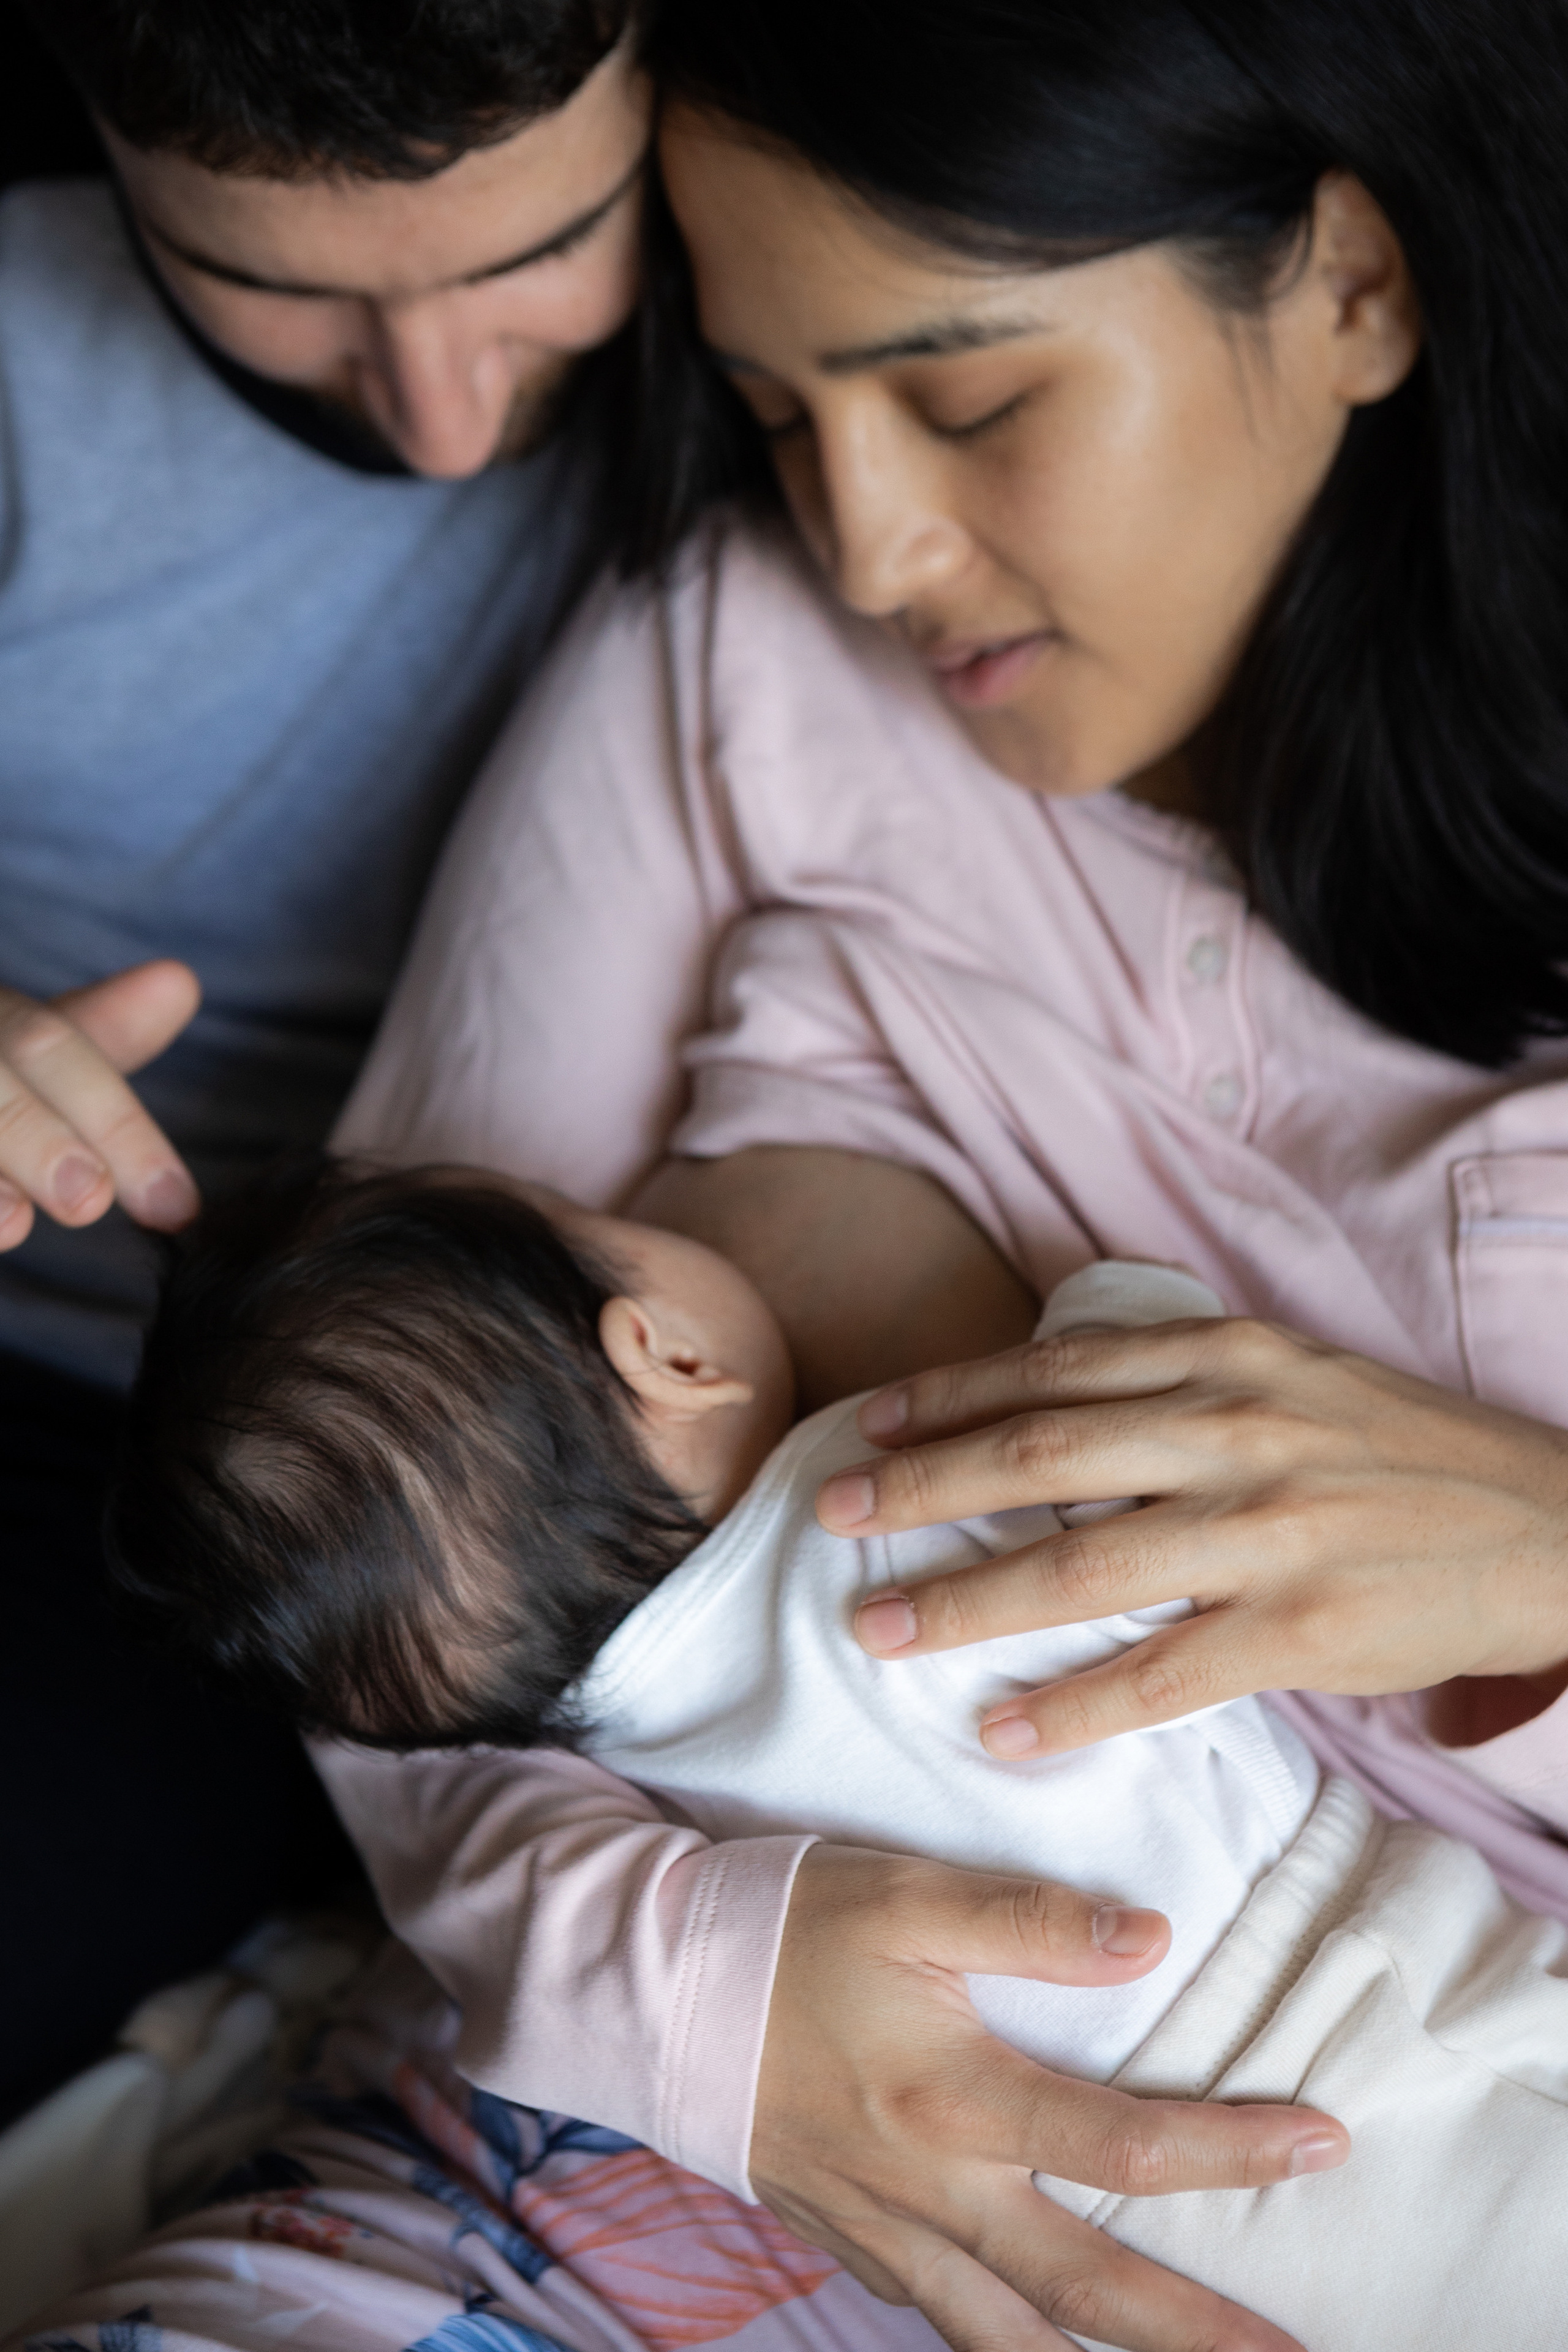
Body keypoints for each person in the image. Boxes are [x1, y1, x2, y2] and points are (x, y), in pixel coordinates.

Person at [285, 0, 1568, 2343]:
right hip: (657, 2163)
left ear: (1358, 285)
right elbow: (381, 1519)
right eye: (784, 414)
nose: (868, 542)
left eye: (972, 398)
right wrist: (709, 2011)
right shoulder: (730, 685)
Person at [95, 1155, 1568, 2348]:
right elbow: (1173, 1417)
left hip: (1114, 2220)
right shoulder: (882, 1481)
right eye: (610, 1218)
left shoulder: (624, 1760)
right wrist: (1109, 1310)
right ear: (663, 1348)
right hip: (1363, 2009)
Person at [0, 0, 649, 2118]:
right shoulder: (28, 336)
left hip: (291, 1505)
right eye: (268, 285)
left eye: (535, 257)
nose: (448, 419)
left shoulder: (821, 310)